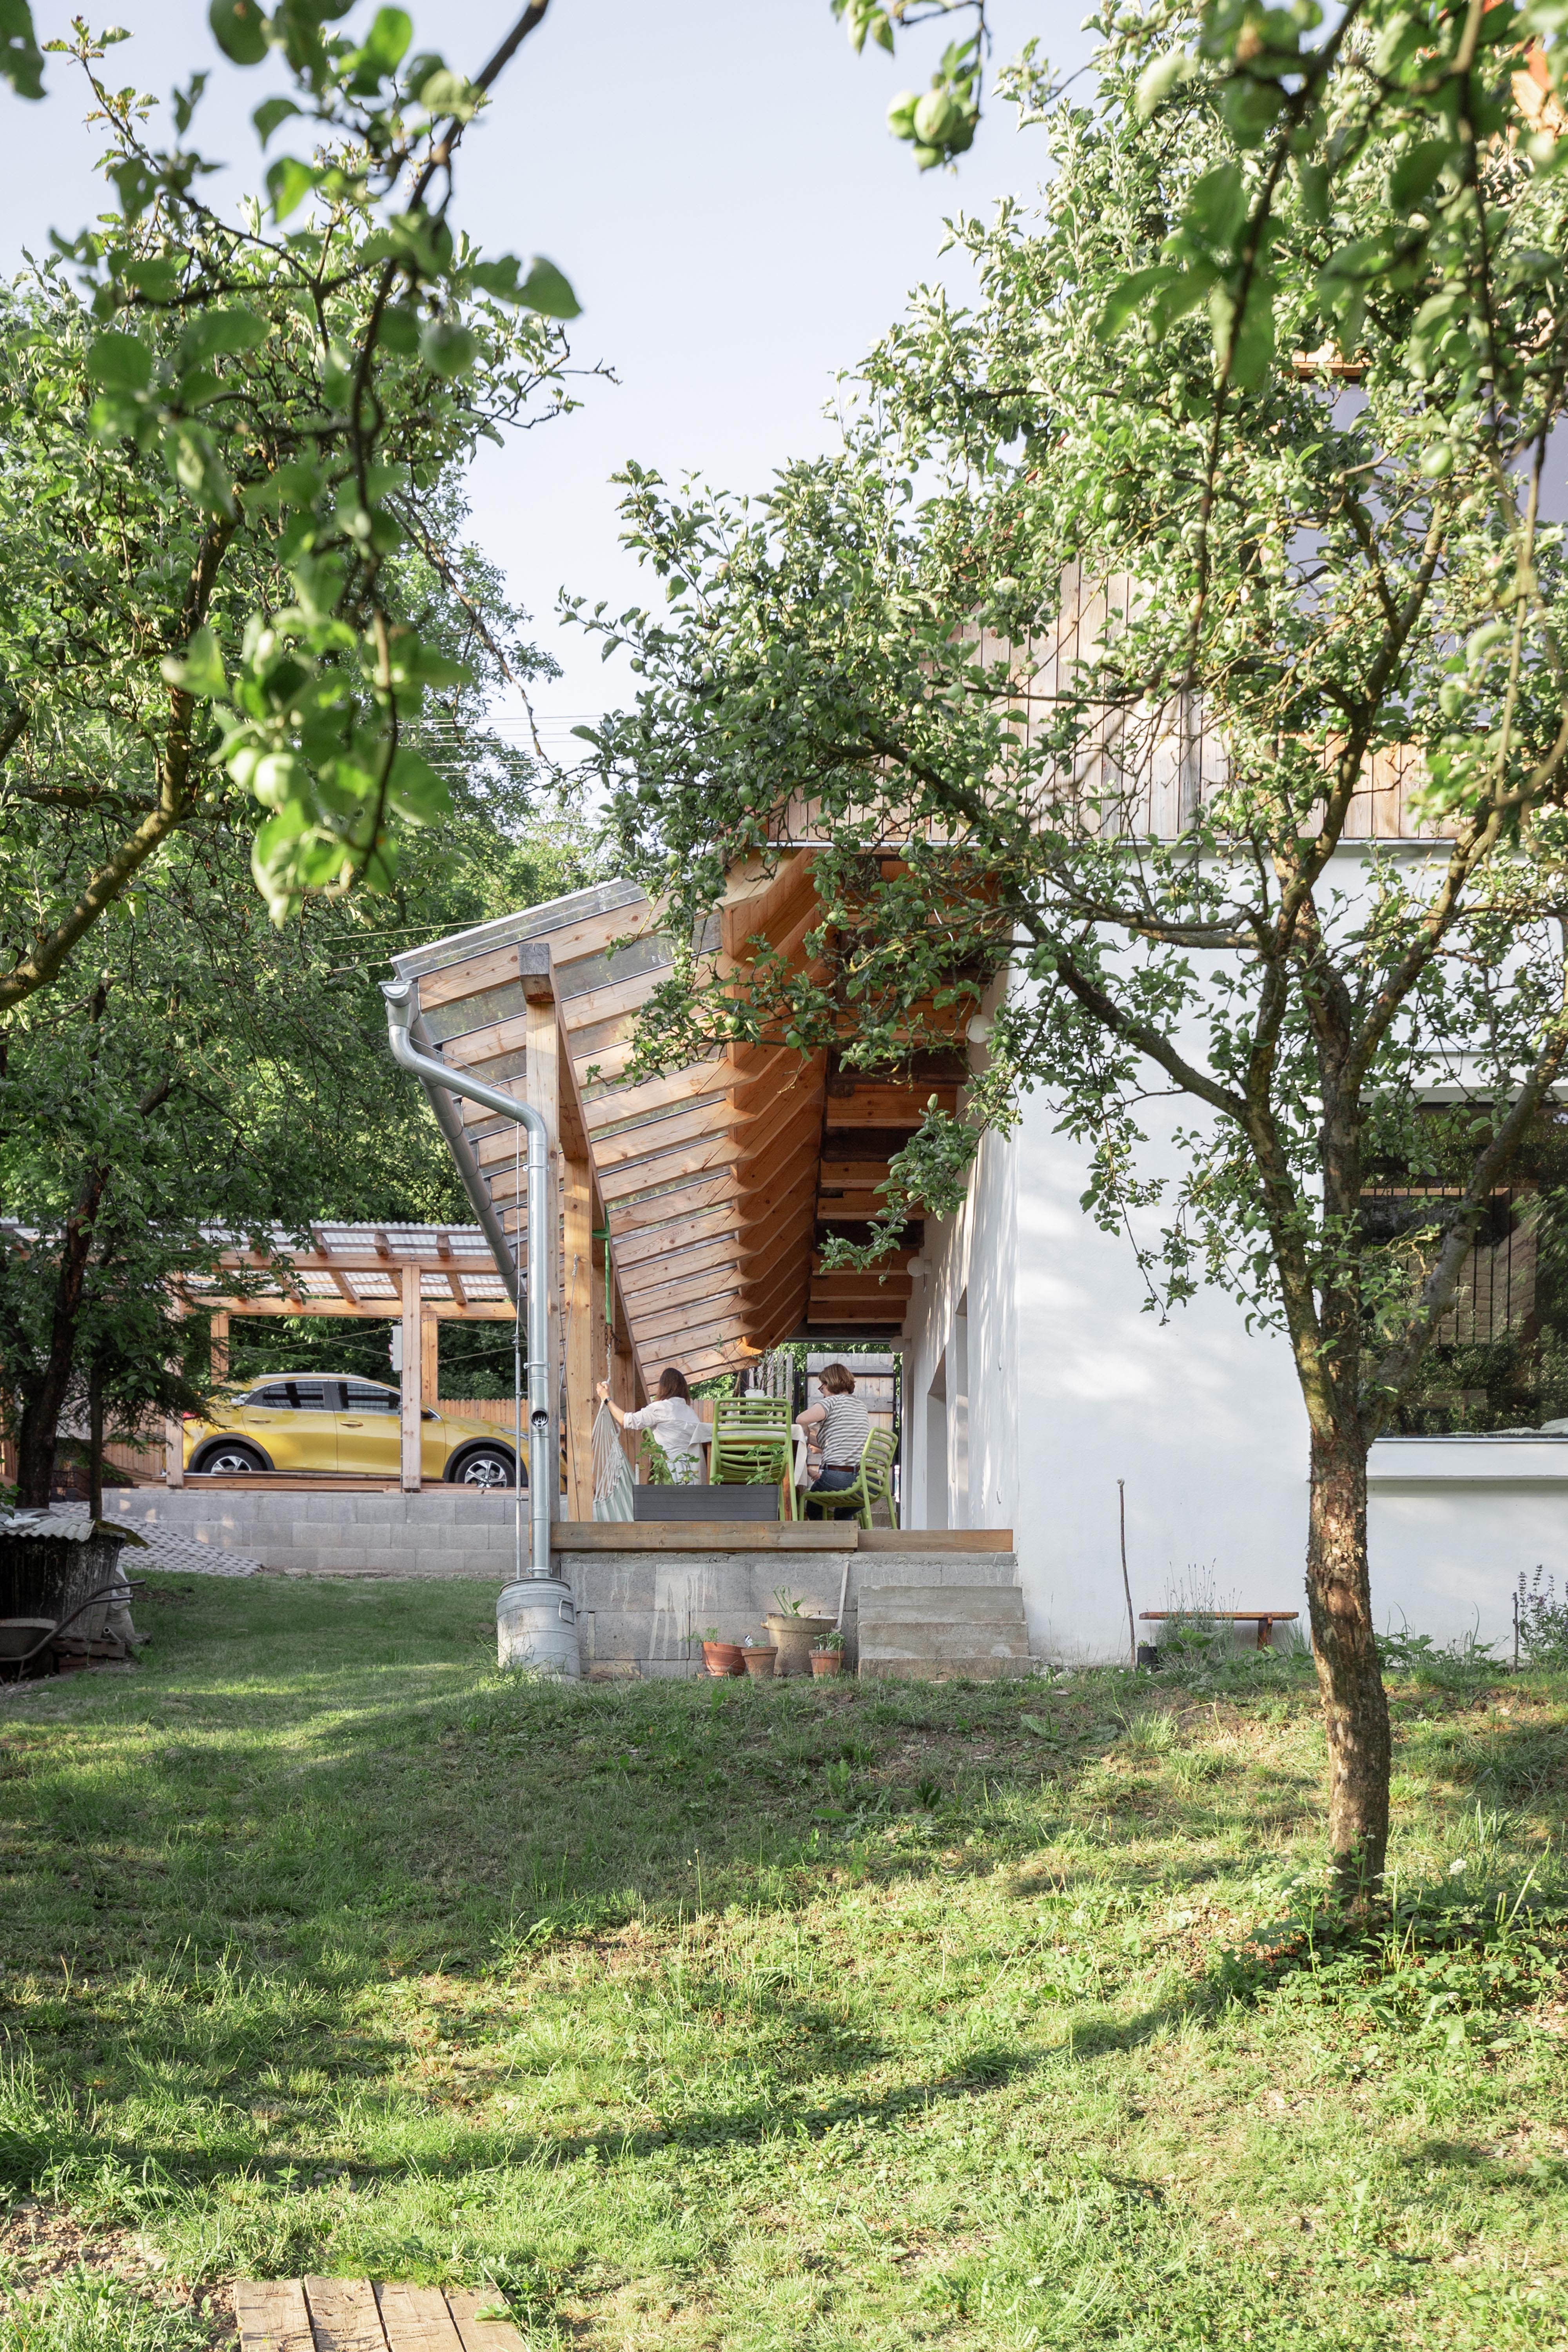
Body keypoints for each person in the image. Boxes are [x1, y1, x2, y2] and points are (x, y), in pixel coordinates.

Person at [595, 1366, 707, 1483]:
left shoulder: (661, 1408)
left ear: (663, 1388)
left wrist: (607, 1399)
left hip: (672, 1475)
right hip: (696, 1474)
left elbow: (626, 1420)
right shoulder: (691, 1413)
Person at [796, 1361, 871, 1517]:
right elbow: (839, 1440)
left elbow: (801, 1419)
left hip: (840, 1479)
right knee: (842, 1513)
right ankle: (844, 1532)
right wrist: (812, 1439)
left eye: (822, 1389)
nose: (823, 1394)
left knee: (813, 1504)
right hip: (869, 1483)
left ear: (829, 1383)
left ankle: (821, 1535)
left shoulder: (831, 1402)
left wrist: (806, 1431)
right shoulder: (861, 1406)